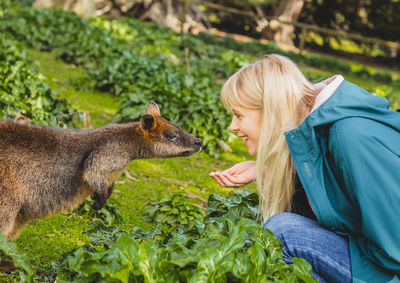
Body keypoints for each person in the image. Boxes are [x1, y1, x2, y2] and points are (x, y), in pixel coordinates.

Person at [209, 54, 400, 283]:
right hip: (375, 260)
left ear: (269, 109)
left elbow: (394, 246)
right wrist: (266, 171)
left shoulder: (349, 136)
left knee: (283, 232)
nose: (232, 126)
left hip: (389, 268)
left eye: (239, 115)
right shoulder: (320, 129)